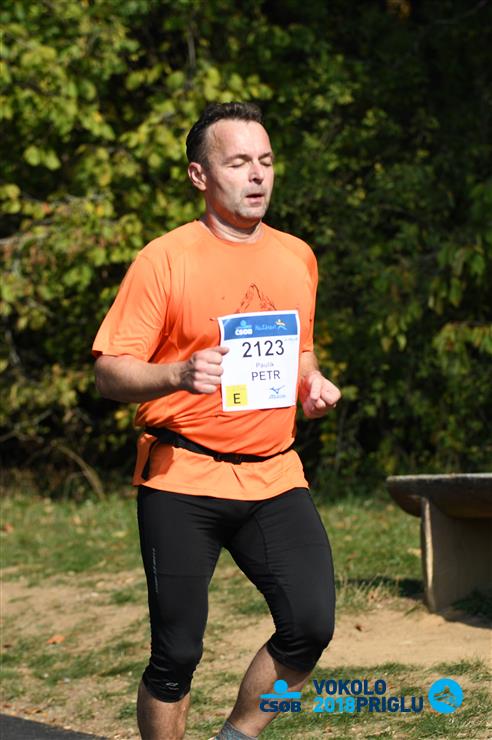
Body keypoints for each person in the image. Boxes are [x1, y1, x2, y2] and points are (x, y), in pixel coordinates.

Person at [93, 102, 341, 740]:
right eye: (238, 163)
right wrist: (176, 374)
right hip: (182, 477)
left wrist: (310, 384)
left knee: (311, 624)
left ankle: (235, 737)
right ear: (200, 176)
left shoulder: (297, 256)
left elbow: (300, 351)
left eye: (266, 161)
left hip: (274, 476)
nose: (257, 175)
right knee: (176, 655)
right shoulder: (164, 259)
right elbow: (109, 373)